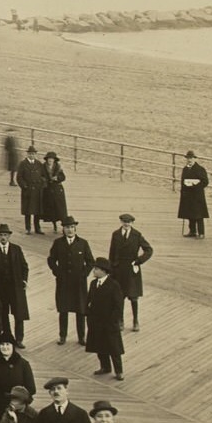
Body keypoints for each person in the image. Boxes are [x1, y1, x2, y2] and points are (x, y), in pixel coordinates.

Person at [47, 217, 94, 345]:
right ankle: (63, 336)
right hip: (63, 283)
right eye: (67, 227)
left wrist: (84, 275)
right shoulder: (58, 243)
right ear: (63, 229)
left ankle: (81, 337)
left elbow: (90, 261)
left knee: (81, 310)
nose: (70, 230)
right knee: (63, 310)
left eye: (72, 227)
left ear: (75, 228)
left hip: (79, 283)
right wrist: (57, 272)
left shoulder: (83, 243)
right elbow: (51, 259)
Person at [0, 223, 30, 348]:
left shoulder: (16, 249)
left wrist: (24, 281)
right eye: (1, 235)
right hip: (0, 289)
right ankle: (8, 336)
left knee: (18, 314)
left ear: (9, 236)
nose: (3, 237)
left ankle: (19, 339)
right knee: (3, 313)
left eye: (5, 235)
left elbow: (24, 266)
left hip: (15, 288)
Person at [85, 258, 127, 380]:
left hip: (109, 323)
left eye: (96, 269)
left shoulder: (114, 285)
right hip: (95, 321)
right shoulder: (93, 284)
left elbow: (118, 306)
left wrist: (112, 321)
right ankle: (105, 367)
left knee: (114, 349)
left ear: (104, 271)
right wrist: (87, 313)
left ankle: (119, 371)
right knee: (99, 346)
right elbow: (89, 300)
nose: (94, 271)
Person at [178, 150, 210, 238]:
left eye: (191, 158)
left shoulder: (200, 169)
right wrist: (183, 192)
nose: (189, 160)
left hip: (197, 195)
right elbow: (182, 182)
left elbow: (205, 182)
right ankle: (192, 231)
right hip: (188, 195)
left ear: (194, 159)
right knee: (189, 214)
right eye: (188, 158)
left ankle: (201, 233)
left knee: (199, 215)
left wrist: (195, 186)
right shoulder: (185, 169)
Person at [17, 146, 48, 233]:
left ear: (35, 155)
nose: (31, 155)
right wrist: (24, 186)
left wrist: (43, 184)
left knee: (37, 211)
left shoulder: (39, 164)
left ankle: (37, 228)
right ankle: (28, 228)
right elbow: (19, 177)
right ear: (27, 154)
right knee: (28, 211)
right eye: (30, 154)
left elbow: (43, 176)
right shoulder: (23, 164)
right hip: (28, 190)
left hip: (38, 190)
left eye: (33, 154)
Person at [41, 152, 69, 232]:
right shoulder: (43, 167)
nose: (50, 160)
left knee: (61, 209)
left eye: (52, 159)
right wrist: (44, 180)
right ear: (46, 160)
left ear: (54, 160)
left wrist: (57, 178)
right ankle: (54, 225)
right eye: (49, 159)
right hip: (48, 190)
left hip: (57, 190)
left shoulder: (58, 167)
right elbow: (41, 176)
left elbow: (63, 177)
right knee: (51, 209)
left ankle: (64, 226)